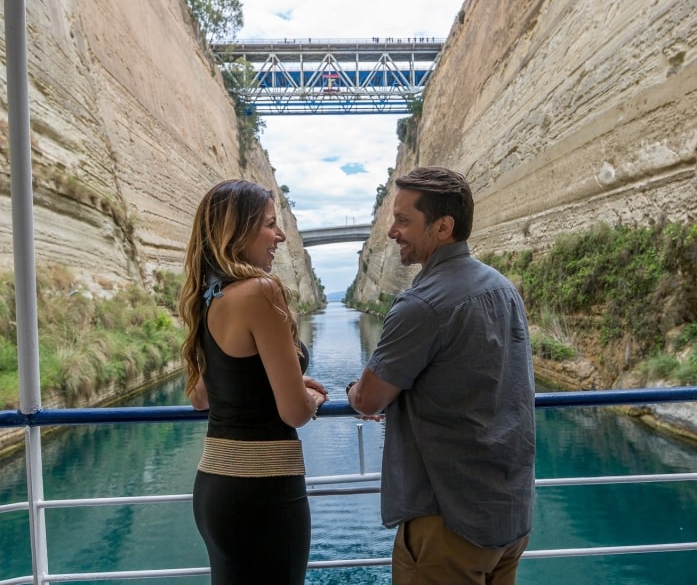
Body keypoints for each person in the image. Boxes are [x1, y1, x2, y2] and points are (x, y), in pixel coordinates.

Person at [347, 166, 535, 585]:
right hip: (509, 516)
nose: (392, 231)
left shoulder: (421, 304)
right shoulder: (504, 289)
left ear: (443, 227)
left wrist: (352, 391)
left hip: (448, 524)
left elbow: (369, 399)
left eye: (403, 220)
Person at [178, 178, 328, 585]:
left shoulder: (209, 297)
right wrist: (309, 394)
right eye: (269, 224)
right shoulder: (261, 291)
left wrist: (281, 381)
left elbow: (202, 398)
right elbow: (294, 412)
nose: (280, 236)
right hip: (265, 490)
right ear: (236, 230)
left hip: (215, 491)